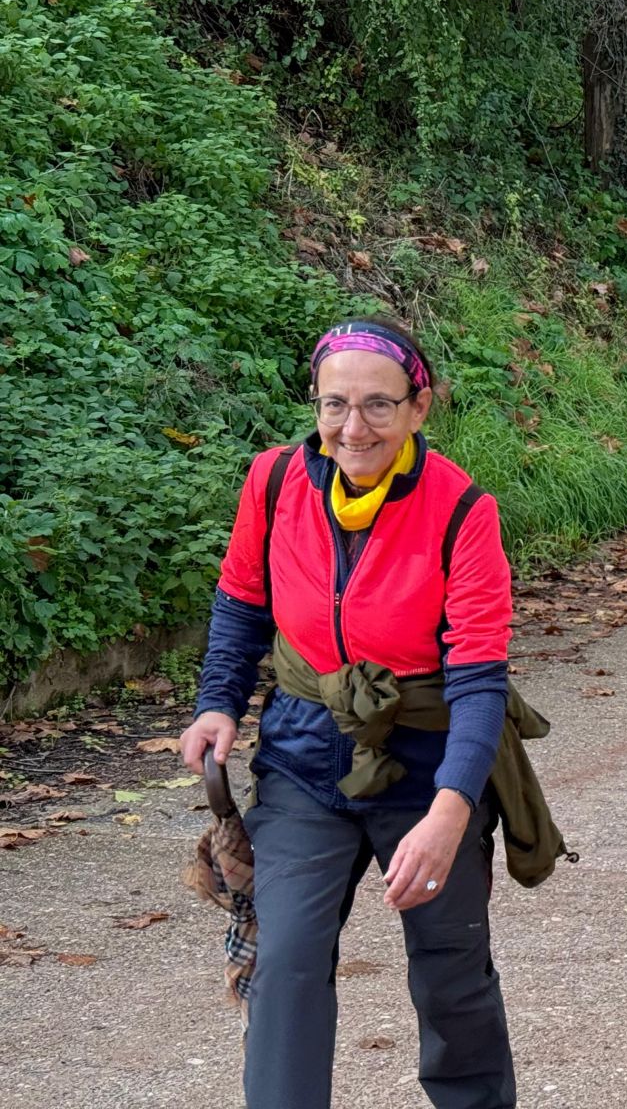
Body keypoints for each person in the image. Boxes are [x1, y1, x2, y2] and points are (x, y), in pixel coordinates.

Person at [180, 318, 548, 1109]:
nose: (355, 428)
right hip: (304, 756)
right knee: (285, 960)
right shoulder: (274, 482)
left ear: (420, 408)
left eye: (379, 406)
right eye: (335, 404)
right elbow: (242, 602)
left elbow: (480, 680)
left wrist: (452, 812)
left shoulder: (462, 510)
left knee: (452, 968)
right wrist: (218, 704)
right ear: (315, 404)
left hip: (426, 759)